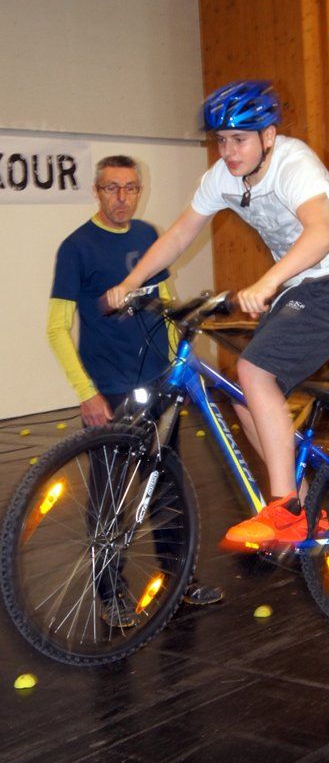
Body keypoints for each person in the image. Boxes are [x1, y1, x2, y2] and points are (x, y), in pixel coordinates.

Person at [104, 81, 329, 548]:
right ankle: (307, 509)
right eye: (221, 140)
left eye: (240, 139)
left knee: (253, 371)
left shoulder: (294, 163)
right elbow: (179, 234)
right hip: (302, 285)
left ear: (268, 136)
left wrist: (267, 283)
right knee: (244, 395)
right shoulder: (222, 178)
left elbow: (322, 234)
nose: (228, 152)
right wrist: (131, 283)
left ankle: (285, 509)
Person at [47, 155, 223, 622]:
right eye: (112, 188)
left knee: (167, 485)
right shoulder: (76, 248)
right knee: (110, 495)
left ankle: (180, 580)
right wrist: (86, 392)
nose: (122, 198)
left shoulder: (148, 236)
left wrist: (178, 367)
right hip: (109, 389)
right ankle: (110, 593)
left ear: (139, 191)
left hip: (158, 384)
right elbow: (56, 328)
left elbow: (163, 305)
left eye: (130, 188)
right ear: (96, 191)